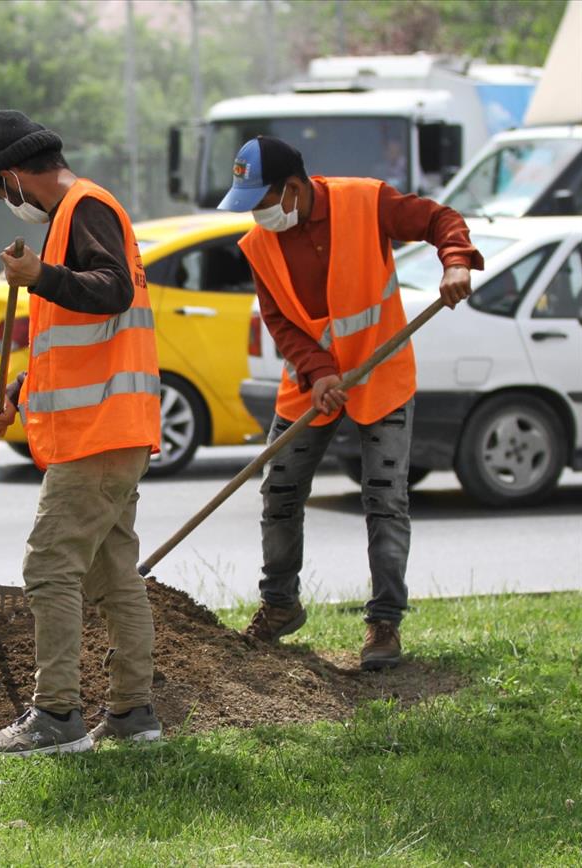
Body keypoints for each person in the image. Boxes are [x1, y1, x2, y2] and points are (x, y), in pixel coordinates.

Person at [217, 135, 482, 670]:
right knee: (280, 491)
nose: (256, 216)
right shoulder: (258, 245)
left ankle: (384, 622)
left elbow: (440, 220)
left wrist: (455, 262)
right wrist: (319, 372)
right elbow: (280, 322)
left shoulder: (367, 201)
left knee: (385, 500)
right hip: (311, 384)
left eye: (261, 202)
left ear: (293, 189)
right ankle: (280, 604)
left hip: (380, 373)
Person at [0, 110, 163, 756]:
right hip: (109, 428)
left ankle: (56, 717)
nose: (7, 204)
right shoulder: (68, 221)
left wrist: (39, 279)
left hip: (100, 434)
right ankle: (134, 715)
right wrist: (17, 396)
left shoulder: (85, 209)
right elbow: (72, 343)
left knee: (50, 565)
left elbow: (108, 292)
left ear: (15, 175)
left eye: (2, 191)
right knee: (113, 573)